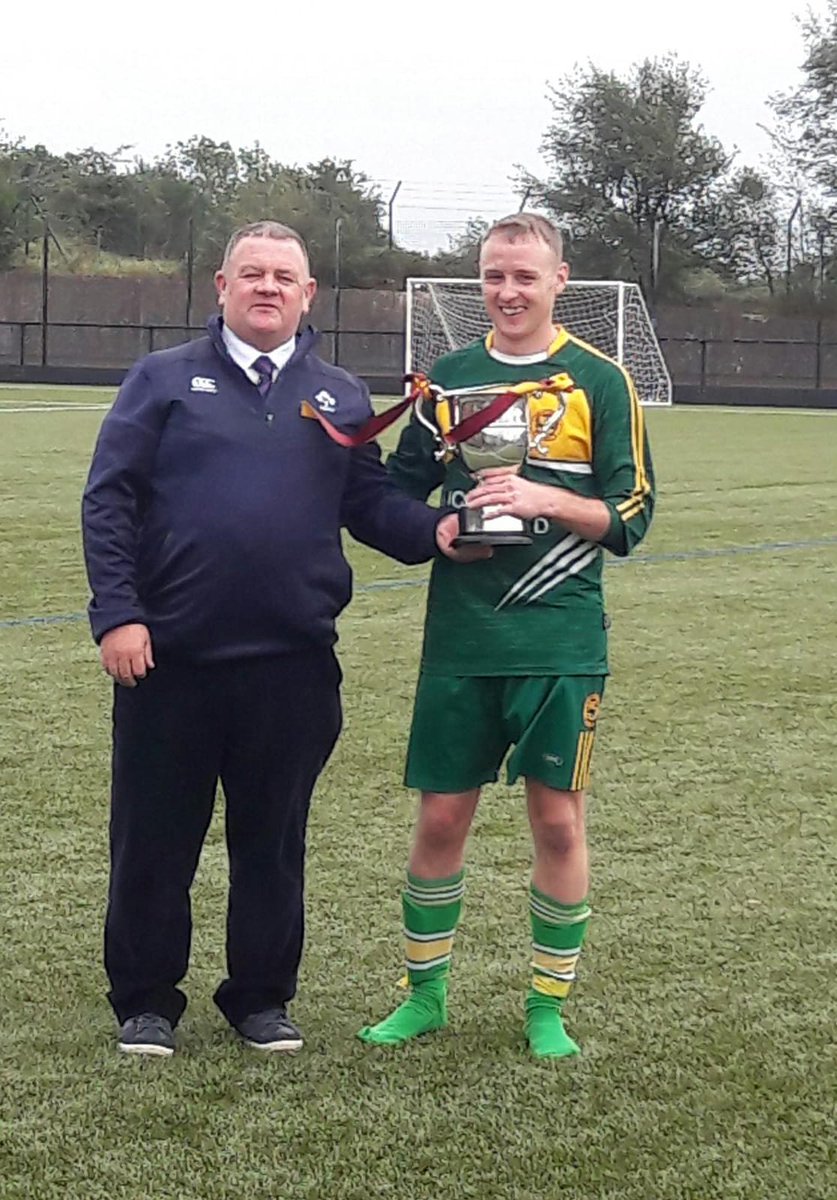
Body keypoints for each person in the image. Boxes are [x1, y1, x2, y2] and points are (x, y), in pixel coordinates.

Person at [82, 220, 476, 1057]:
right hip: (169, 660)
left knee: (273, 840)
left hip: (292, 666)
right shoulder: (161, 379)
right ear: (220, 287)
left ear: (307, 295)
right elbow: (108, 500)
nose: (267, 287)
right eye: (250, 273)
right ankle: (147, 1000)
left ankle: (260, 997)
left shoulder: (337, 394)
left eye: (283, 276)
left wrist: (441, 530)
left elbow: (367, 505)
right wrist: (118, 613)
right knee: (154, 838)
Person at [358, 213, 655, 1058]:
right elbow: (396, 495)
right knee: (441, 820)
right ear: (478, 281)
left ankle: (545, 1006)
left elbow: (631, 515)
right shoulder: (448, 378)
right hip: (461, 638)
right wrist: (446, 524)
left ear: (560, 279)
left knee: (558, 825)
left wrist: (544, 500)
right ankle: (425, 995)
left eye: (525, 275)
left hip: (560, 642)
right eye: (493, 275)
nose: (508, 290)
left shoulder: (600, 381)